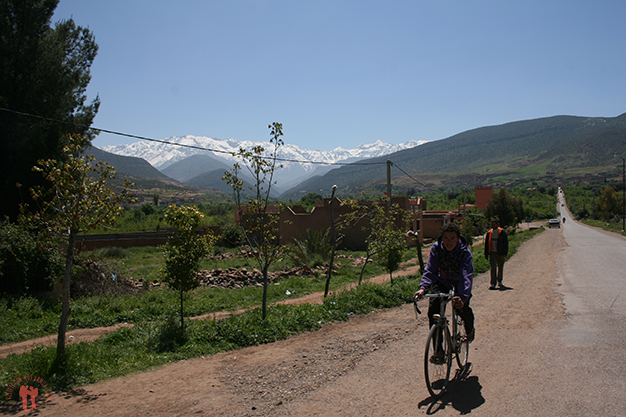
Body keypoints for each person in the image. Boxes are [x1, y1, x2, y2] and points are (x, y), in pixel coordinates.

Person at [413, 222, 475, 354]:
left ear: (458, 238)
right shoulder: (436, 249)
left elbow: (466, 276)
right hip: (442, 281)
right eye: (446, 238)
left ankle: (470, 331)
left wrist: (463, 297)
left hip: (459, 282)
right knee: (434, 312)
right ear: (441, 238)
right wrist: (423, 288)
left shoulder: (464, 252)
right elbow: (430, 271)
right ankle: (438, 351)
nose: (449, 242)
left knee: (461, 308)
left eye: (452, 238)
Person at [484, 219, 509, 290]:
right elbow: (486, 244)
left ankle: (500, 281)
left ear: (497, 225)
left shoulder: (502, 232)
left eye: (494, 224)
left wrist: (505, 253)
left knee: (500, 267)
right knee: (493, 268)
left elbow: (505, 243)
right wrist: (486, 254)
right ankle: (493, 283)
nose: (493, 225)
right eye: (492, 224)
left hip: (500, 253)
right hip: (492, 253)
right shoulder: (489, 233)